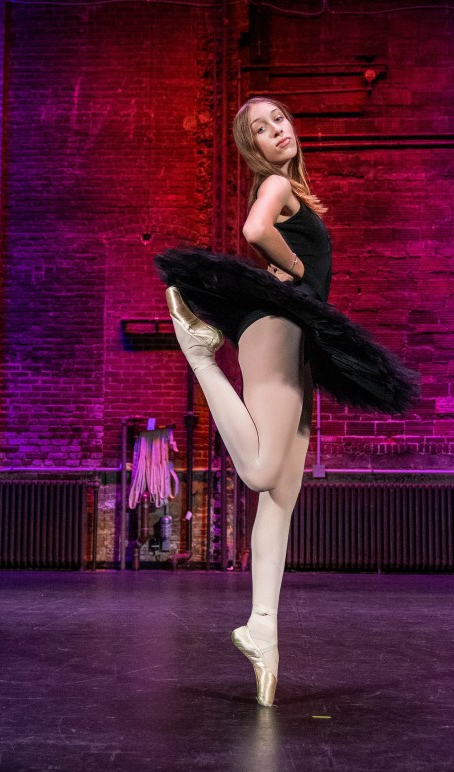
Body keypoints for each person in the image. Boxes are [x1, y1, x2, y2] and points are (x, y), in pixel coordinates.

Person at [157, 97, 417, 707]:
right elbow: (255, 230)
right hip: (276, 326)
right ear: (251, 147)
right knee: (259, 473)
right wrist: (295, 265)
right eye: (261, 129)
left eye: (279, 120)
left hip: (298, 339)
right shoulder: (274, 185)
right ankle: (198, 353)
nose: (276, 131)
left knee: (281, 498)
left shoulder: (293, 189)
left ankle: (263, 631)